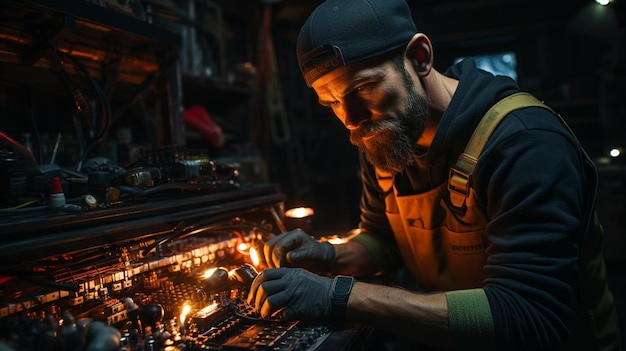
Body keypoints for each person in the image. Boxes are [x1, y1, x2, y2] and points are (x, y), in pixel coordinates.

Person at [246, 0, 622, 350]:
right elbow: (383, 241)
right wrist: (329, 255)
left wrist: (338, 296)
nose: (350, 119)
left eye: (363, 87)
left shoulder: (525, 144)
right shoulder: (386, 138)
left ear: (419, 57)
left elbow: (529, 318)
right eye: (331, 102)